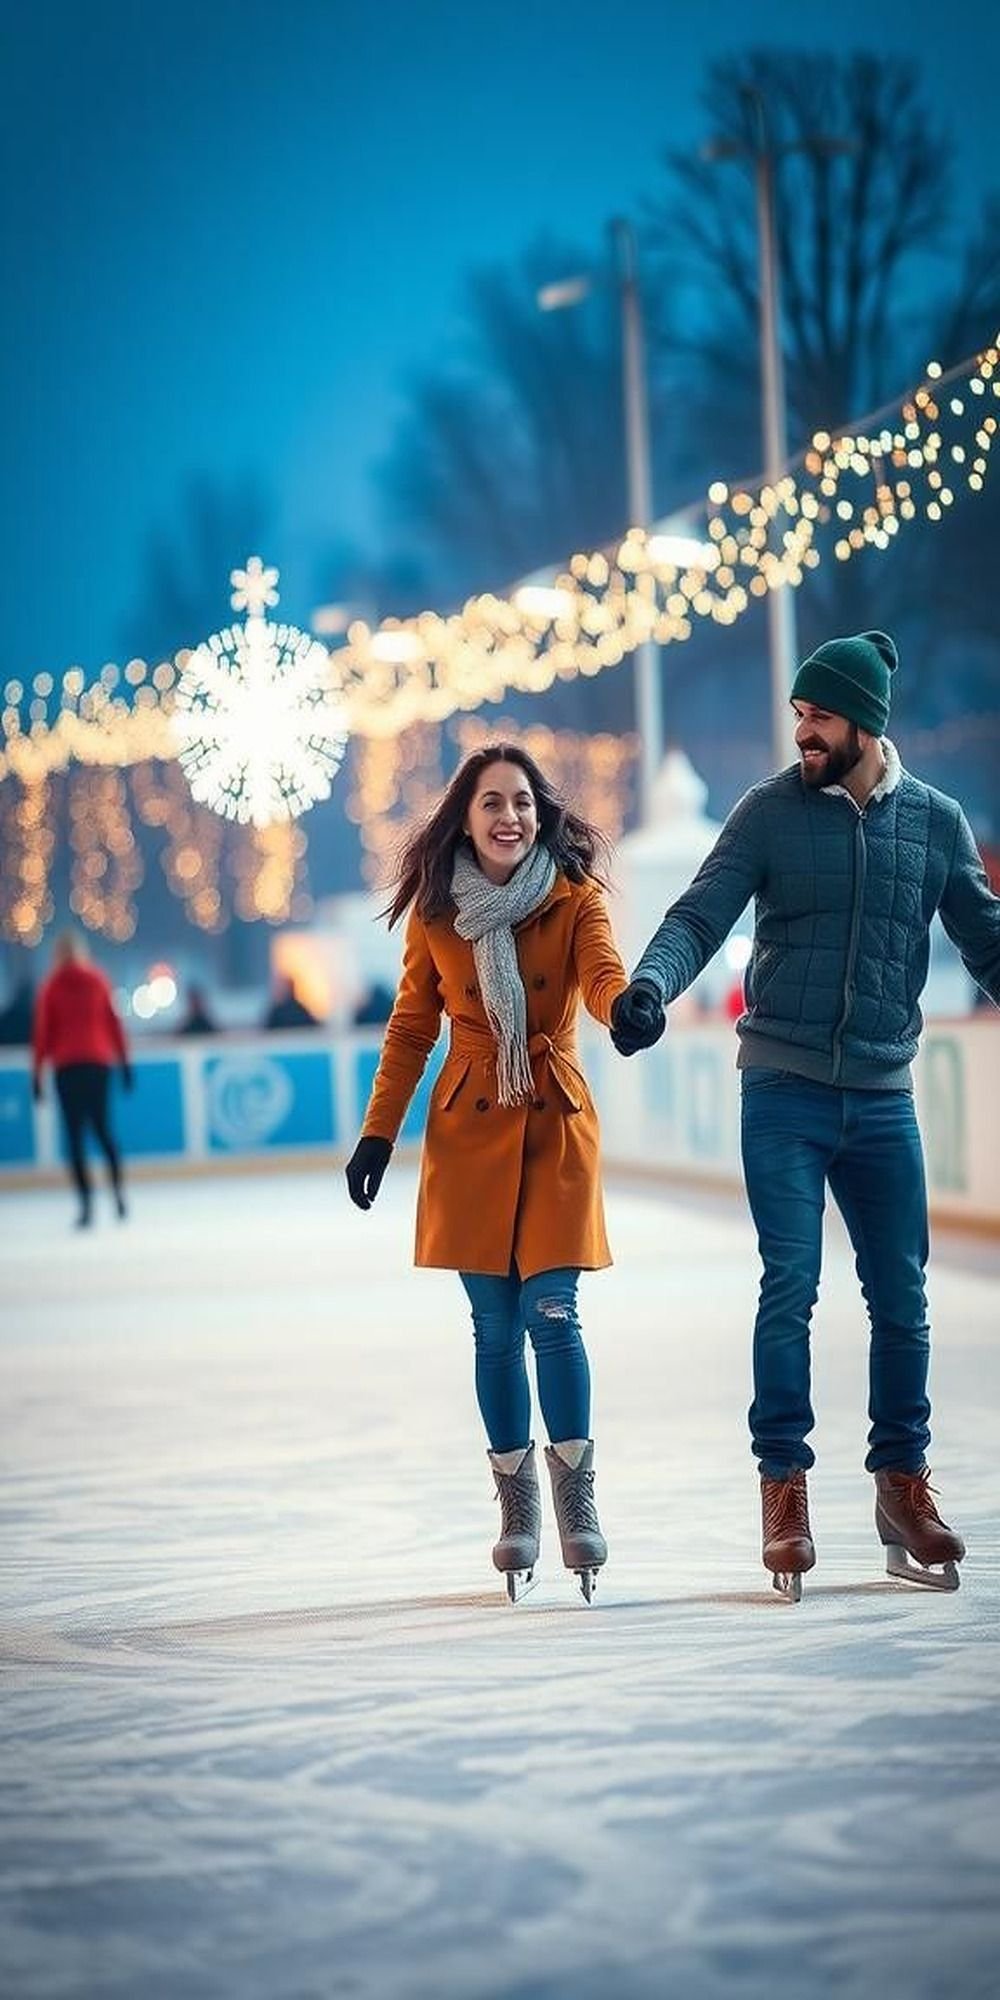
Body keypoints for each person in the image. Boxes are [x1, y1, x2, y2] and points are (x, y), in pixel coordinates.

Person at [611, 630, 1000, 1599]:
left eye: (818, 715)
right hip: (780, 1088)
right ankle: (782, 1486)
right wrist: (650, 988)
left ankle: (899, 1484)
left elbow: (986, 940)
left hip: (880, 1094)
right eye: (796, 715)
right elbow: (698, 913)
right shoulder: (767, 814)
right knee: (790, 1282)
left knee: (901, 1296)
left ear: (864, 721)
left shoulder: (935, 823)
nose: (803, 731)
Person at [344, 745, 629, 1602]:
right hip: (470, 1131)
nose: (510, 817)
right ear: (465, 820)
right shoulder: (438, 916)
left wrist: (632, 1010)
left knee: (553, 1311)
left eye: (523, 803)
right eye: (492, 803)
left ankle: (576, 1504)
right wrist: (377, 1136)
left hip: (553, 1119)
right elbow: (408, 1031)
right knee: (494, 1329)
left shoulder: (575, 898)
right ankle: (516, 1513)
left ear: (541, 814)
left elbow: (604, 980)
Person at [32, 930, 133, 1228]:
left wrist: (37, 1073)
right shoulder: (98, 980)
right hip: (98, 1064)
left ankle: (86, 1204)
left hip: (67, 1068)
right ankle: (118, 1193)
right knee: (103, 1130)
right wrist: (125, 1063)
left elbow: (42, 1035)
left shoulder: (51, 987)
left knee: (75, 1137)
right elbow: (114, 1024)